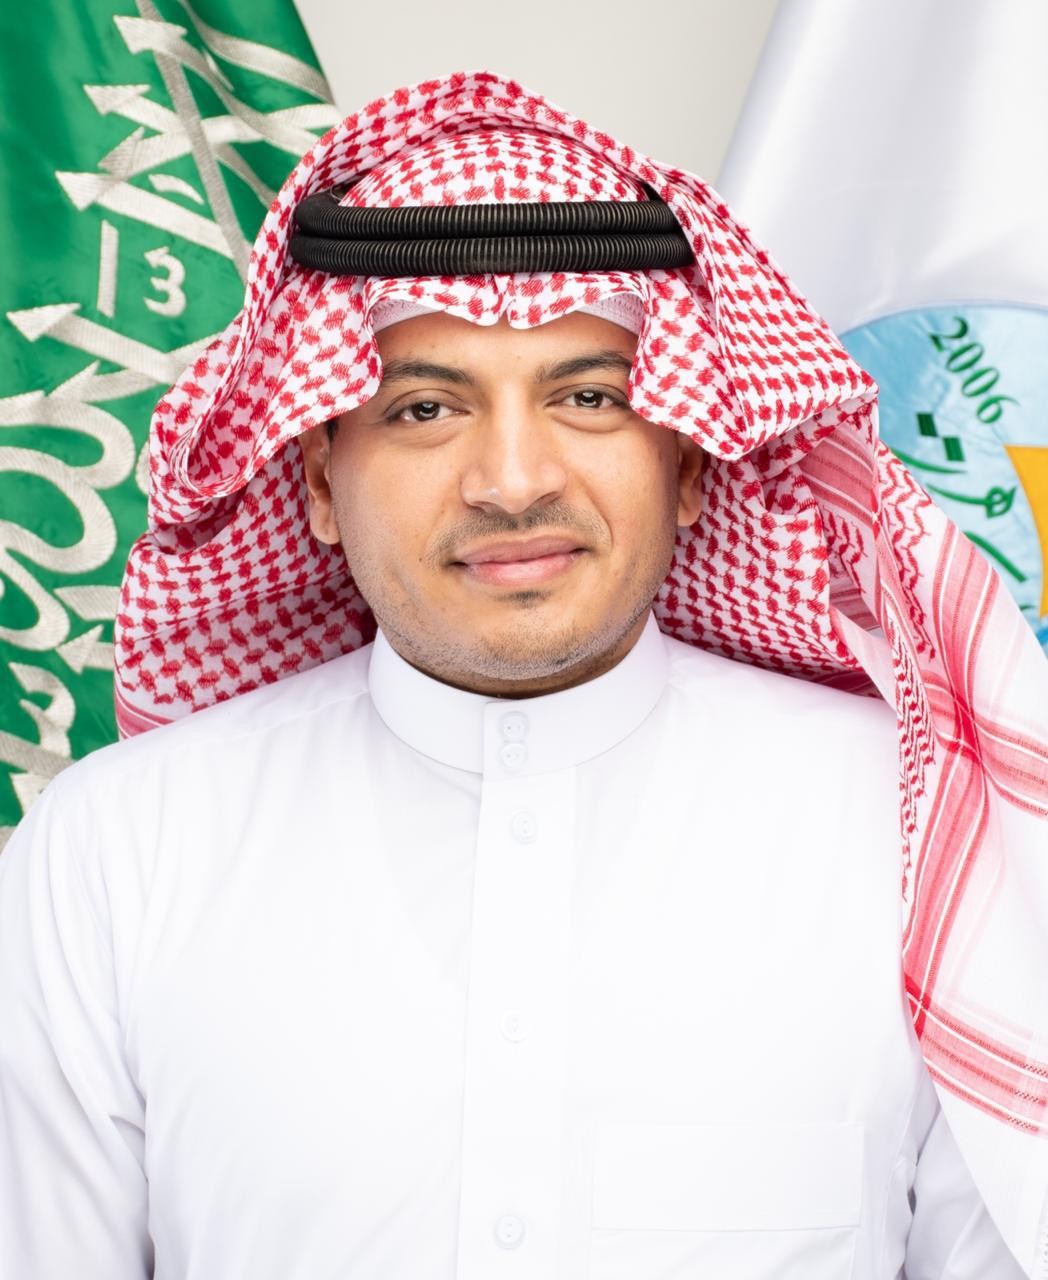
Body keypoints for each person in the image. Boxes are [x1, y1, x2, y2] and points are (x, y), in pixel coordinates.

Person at [1, 70, 1046, 1279]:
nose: (511, 479)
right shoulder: (117, 853)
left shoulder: (923, 834)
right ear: (317, 481)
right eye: (424, 409)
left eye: (588, 397)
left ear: (689, 463)